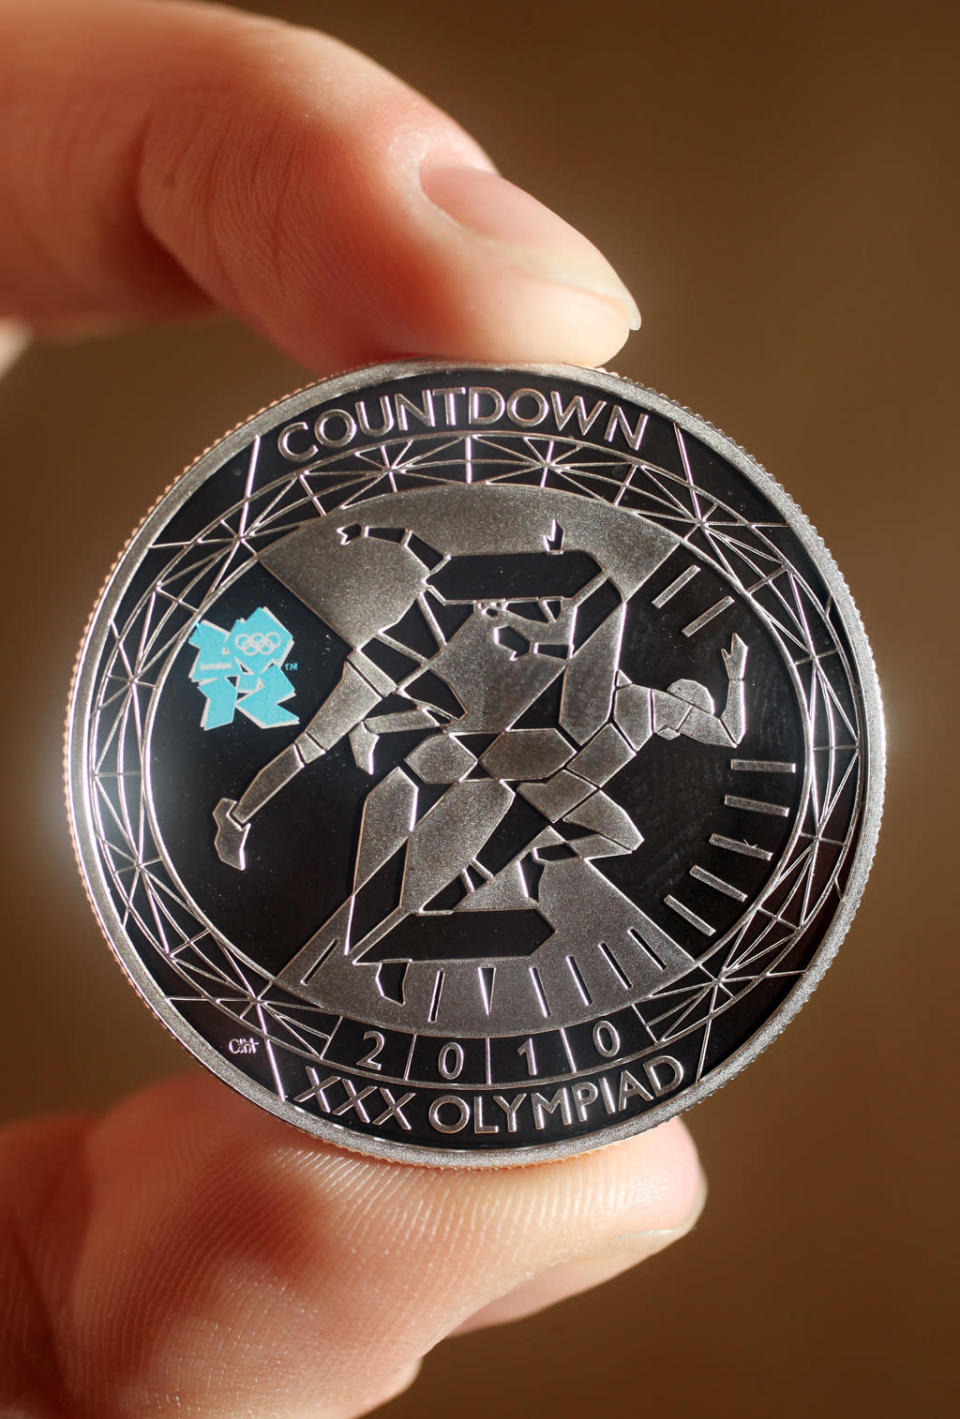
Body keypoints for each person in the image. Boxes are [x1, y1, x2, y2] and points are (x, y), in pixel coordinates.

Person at [0, 3, 705, 1415]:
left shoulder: (537, 708)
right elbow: (388, 728)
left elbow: (540, 759)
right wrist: (294, 783)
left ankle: (393, 904)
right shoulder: (424, 674)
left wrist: (542, 739)